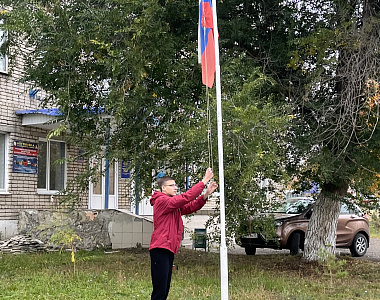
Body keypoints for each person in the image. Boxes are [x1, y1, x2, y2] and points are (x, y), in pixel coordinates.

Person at [149, 168, 218, 300]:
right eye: (172, 185)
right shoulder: (162, 201)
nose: (175, 188)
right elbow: (186, 197)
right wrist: (204, 181)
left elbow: (190, 206)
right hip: (160, 249)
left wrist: (205, 195)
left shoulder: (172, 205)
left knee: (164, 289)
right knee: (160, 291)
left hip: (168, 248)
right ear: (163, 188)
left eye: (176, 185)